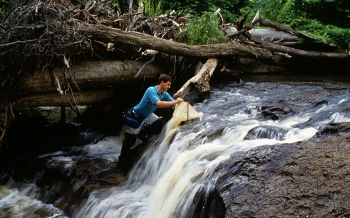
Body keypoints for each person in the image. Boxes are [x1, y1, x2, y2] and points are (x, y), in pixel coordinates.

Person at [118, 74, 183, 171]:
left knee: (161, 123)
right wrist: (175, 102)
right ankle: (121, 159)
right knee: (130, 141)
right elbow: (159, 104)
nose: (169, 87)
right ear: (162, 83)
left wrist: (182, 106)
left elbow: (173, 102)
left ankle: (143, 134)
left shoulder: (164, 94)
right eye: (168, 84)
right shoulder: (151, 90)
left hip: (148, 115)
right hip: (137, 116)